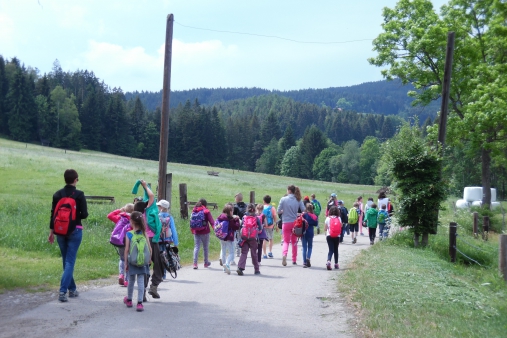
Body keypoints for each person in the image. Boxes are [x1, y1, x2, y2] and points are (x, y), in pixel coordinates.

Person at [48, 169, 88, 302]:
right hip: (75, 230)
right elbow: (84, 215)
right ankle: (63, 291)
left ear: (65, 179)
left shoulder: (57, 194)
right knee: (70, 261)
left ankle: (72, 289)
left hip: (59, 230)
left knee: (66, 261)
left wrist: (51, 232)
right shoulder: (79, 194)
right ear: (76, 179)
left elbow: (53, 214)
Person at [132, 180, 163, 299]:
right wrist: (145, 186)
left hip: (139, 241)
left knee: (144, 265)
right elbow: (151, 196)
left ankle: (142, 292)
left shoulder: (135, 215)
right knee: (158, 264)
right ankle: (154, 286)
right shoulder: (149, 211)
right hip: (151, 241)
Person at [123, 211, 152, 312]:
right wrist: (149, 259)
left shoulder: (129, 234)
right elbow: (149, 248)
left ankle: (129, 300)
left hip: (132, 261)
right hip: (143, 262)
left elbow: (127, 250)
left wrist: (126, 263)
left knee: (131, 280)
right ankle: (139, 303)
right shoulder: (145, 234)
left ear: (131, 221)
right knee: (141, 281)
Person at [277, 185, 306, 266]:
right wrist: (298, 214)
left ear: (289, 190)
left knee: (286, 241)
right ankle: (294, 259)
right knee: (294, 241)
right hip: (294, 223)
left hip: (285, 222)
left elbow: (278, 211)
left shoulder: (283, 199)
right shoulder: (298, 200)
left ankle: (284, 255)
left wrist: (284, 211)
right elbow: (304, 210)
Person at [107, 203, 134, 287]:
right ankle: (127, 280)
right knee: (129, 260)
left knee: (122, 259)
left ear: (124, 210)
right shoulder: (134, 219)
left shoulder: (120, 217)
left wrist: (120, 210)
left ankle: (121, 275)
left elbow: (109, 215)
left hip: (120, 241)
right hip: (130, 241)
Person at [237, 203, 262, 275]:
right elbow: (260, 228)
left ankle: (240, 268)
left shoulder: (244, 217)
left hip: (244, 237)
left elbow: (241, 226)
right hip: (253, 238)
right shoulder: (256, 218)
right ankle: (256, 269)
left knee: (244, 253)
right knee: (254, 253)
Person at [156, 199, 179, 279]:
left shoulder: (157, 216)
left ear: (161, 207)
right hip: (167, 240)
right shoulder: (170, 217)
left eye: (159, 206)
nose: (158, 207)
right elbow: (173, 230)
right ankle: (164, 274)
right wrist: (176, 242)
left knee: (159, 256)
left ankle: (160, 273)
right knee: (166, 257)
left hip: (158, 240)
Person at [215, 203, 240, 274]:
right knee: (232, 252)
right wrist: (237, 219)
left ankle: (224, 267)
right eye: (232, 211)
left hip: (222, 237)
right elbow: (236, 227)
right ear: (230, 211)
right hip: (229, 237)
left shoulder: (220, 217)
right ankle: (227, 264)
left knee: (223, 251)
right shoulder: (230, 220)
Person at [191, 198, 215, 269]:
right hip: (205, 231)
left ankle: (195, 263)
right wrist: (215, 229)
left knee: (196, 247)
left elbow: (192, 221)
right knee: (205, 248)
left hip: (196, 232)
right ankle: (206, 263)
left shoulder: (194, 210)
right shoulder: (206, 211)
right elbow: (211, 221)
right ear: (205, 204)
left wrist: (192, 230)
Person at [302, 203, 318, 268]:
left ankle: (304, 262)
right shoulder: (314, 216)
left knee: (304, 248)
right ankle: (308, 257)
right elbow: (316, 224)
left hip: (303, 232)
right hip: (310, 232)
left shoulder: (304, 215)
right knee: (310, 247)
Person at [233, 193, 247, 261]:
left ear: (236, 199)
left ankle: (238, 252)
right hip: (245, 225)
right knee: (243, 238)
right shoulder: (246, 206)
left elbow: (233, 216)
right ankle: (243, 251)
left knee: (237, 238)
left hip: (238, 224)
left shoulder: (235, 207)